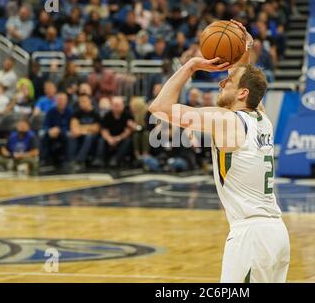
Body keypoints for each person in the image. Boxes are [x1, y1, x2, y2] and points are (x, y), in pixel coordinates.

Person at [148, 20, 289, 283]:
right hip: (276, 235)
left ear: (242, 93)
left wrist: (191, 65)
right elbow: (245, 74)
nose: (221, 82)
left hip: (251, 238)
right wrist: (245, 46)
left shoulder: (225, 120)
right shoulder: (262, 118)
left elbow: (159, 107)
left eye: (228, 81)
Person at [92, 97, 135, 168]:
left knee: (128, 141)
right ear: (111, 106)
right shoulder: (107, 115)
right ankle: (99, 159)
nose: (116, 108)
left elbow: (128, 131)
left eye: (118, 105)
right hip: (110, 137)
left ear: (123, 106)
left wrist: (119, 138)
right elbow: (104, 130)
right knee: (101, 140)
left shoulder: (128, 115)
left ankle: (115, 159)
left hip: (122, 138)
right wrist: (109, 138)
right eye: (115, 105)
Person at [67, 95, 100, 171]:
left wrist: (81, 128)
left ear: (89, 101)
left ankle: (79, 160)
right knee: (71, 136)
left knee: (88, 136)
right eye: (80, 102)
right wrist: (87, 129)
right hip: (80, 135)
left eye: (84, 101)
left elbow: (96, 129)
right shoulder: (76, 113)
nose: (82, 103)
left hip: (93, 137)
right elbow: (74, 128)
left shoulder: (95, 113)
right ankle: (71, 160)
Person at [40, 93, 72, 165]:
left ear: (66, 101)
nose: (61, 102)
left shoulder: (70, 111)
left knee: (67, 136)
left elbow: (71, 126)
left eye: (63, 100)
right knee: (44, 136)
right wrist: (50, 130)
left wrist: (60, 130)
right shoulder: (51, 111)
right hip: (52, 133)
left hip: (65, 132)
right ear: (56, 101)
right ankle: (43, 159)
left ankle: (68, 160)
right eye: (59, 100)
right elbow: (45, 125)